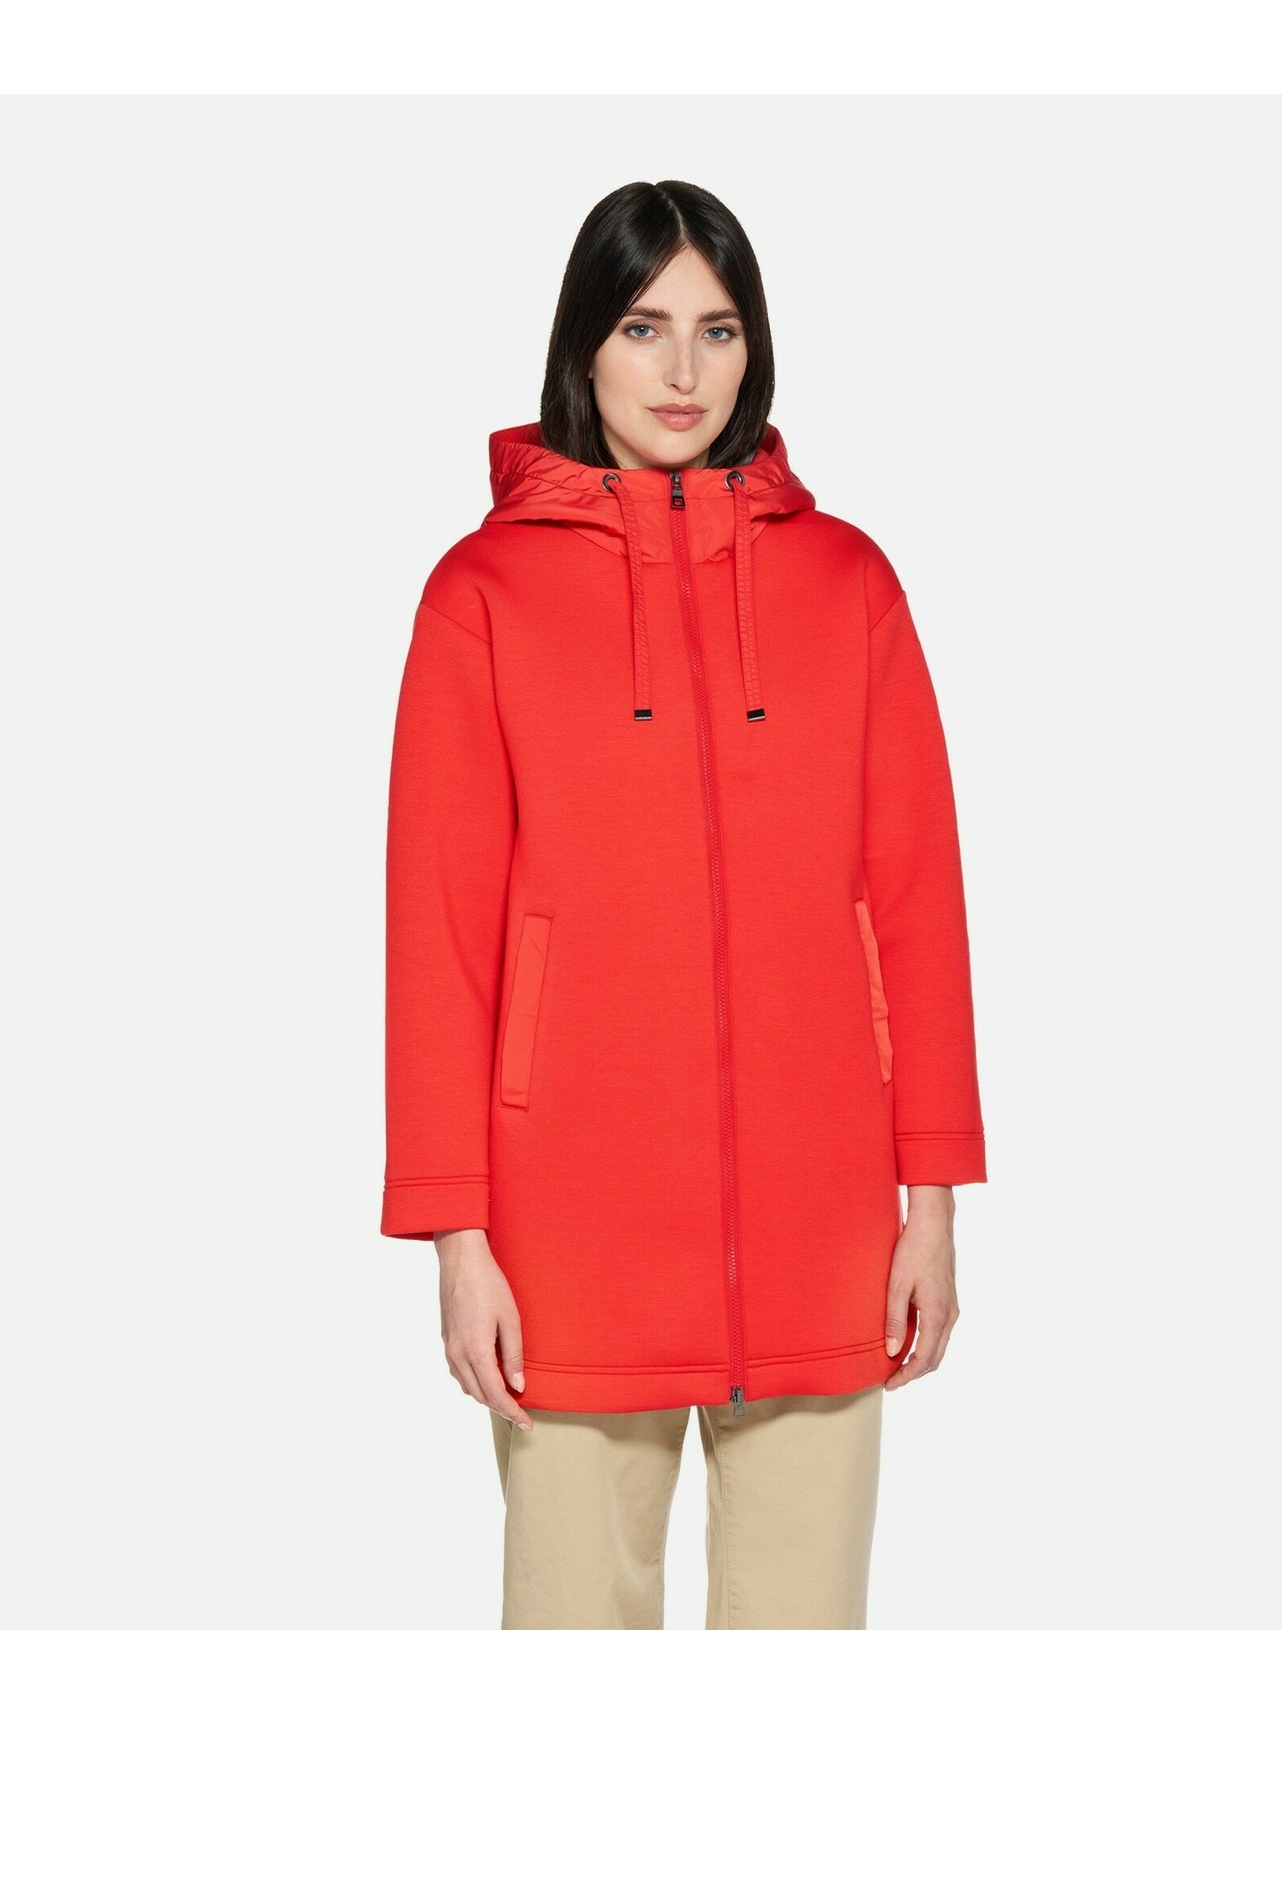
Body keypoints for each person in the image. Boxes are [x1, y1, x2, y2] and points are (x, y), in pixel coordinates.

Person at [381, 179, 987, 1629]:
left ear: (753, 349)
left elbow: (916, 903)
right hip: (565, 1237)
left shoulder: (849, 584)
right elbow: (440, 939)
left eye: (718, 330)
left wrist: (933, 1200)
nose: (681, 370)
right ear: (583, 345)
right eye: (643, 327)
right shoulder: (483, 595)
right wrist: (457, 1236)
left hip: (824, 1225)